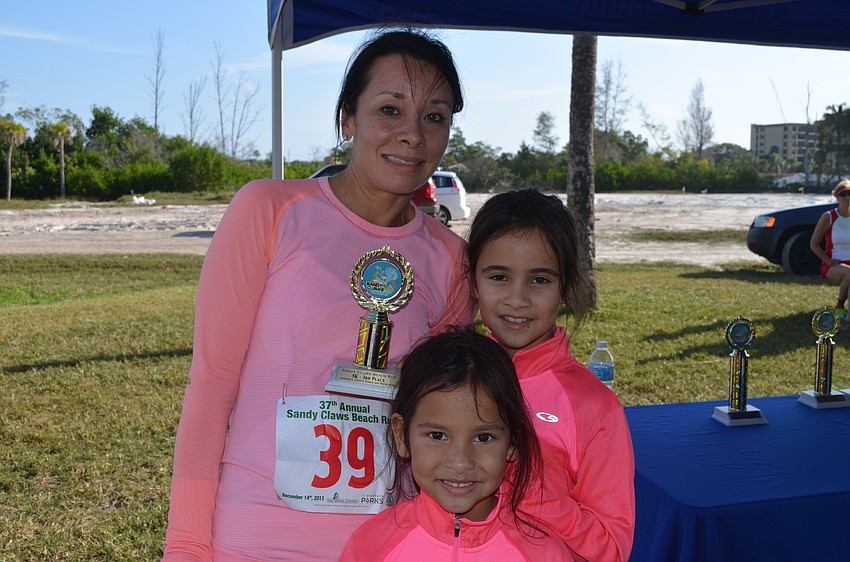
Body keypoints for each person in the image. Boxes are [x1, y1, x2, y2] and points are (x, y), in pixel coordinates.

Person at [161, 28, 475, 561]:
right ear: (348, 117)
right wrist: (188, 544)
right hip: (259, 531)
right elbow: (212, 383)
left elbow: (446, 416)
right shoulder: (269, 210)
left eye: (435, 116)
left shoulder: (450, 258)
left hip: (394, 538)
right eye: (390, 109)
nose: (413, 136)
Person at [465, 189, 636, 562]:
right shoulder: (454, 381)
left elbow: (612, 548)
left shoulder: (593, 406)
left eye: (539, 280)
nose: (518, 298)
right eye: (498, 276)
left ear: (565, 288)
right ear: (473, 281)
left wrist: (531, 494)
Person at [340, 330, 574, 561]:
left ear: (513, 441)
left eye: (483, 438)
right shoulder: (371, 546)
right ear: (402, 435)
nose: (460, 462)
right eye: (438, 435)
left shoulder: (543, 553)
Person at [810, 179, 850, 323]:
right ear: (837, 197)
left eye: (849, 194)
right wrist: (828, 261)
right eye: (843, 195)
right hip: (833, 264)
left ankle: (846, 318)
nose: (847, 198)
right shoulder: (829, 216)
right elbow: (813, 244)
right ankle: (840, 305)